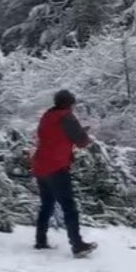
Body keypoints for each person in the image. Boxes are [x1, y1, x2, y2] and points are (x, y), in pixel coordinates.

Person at [31, 90, 97, 258]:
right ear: (70, 104)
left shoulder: (47, 116)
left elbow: (47, 136)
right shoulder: (67, 117)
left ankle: (40, 240)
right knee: (69, 208)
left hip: (40, 165)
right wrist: (87, 136)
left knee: (47, 205)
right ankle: (77, 245)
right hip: (57, 167)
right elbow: (81, 141)